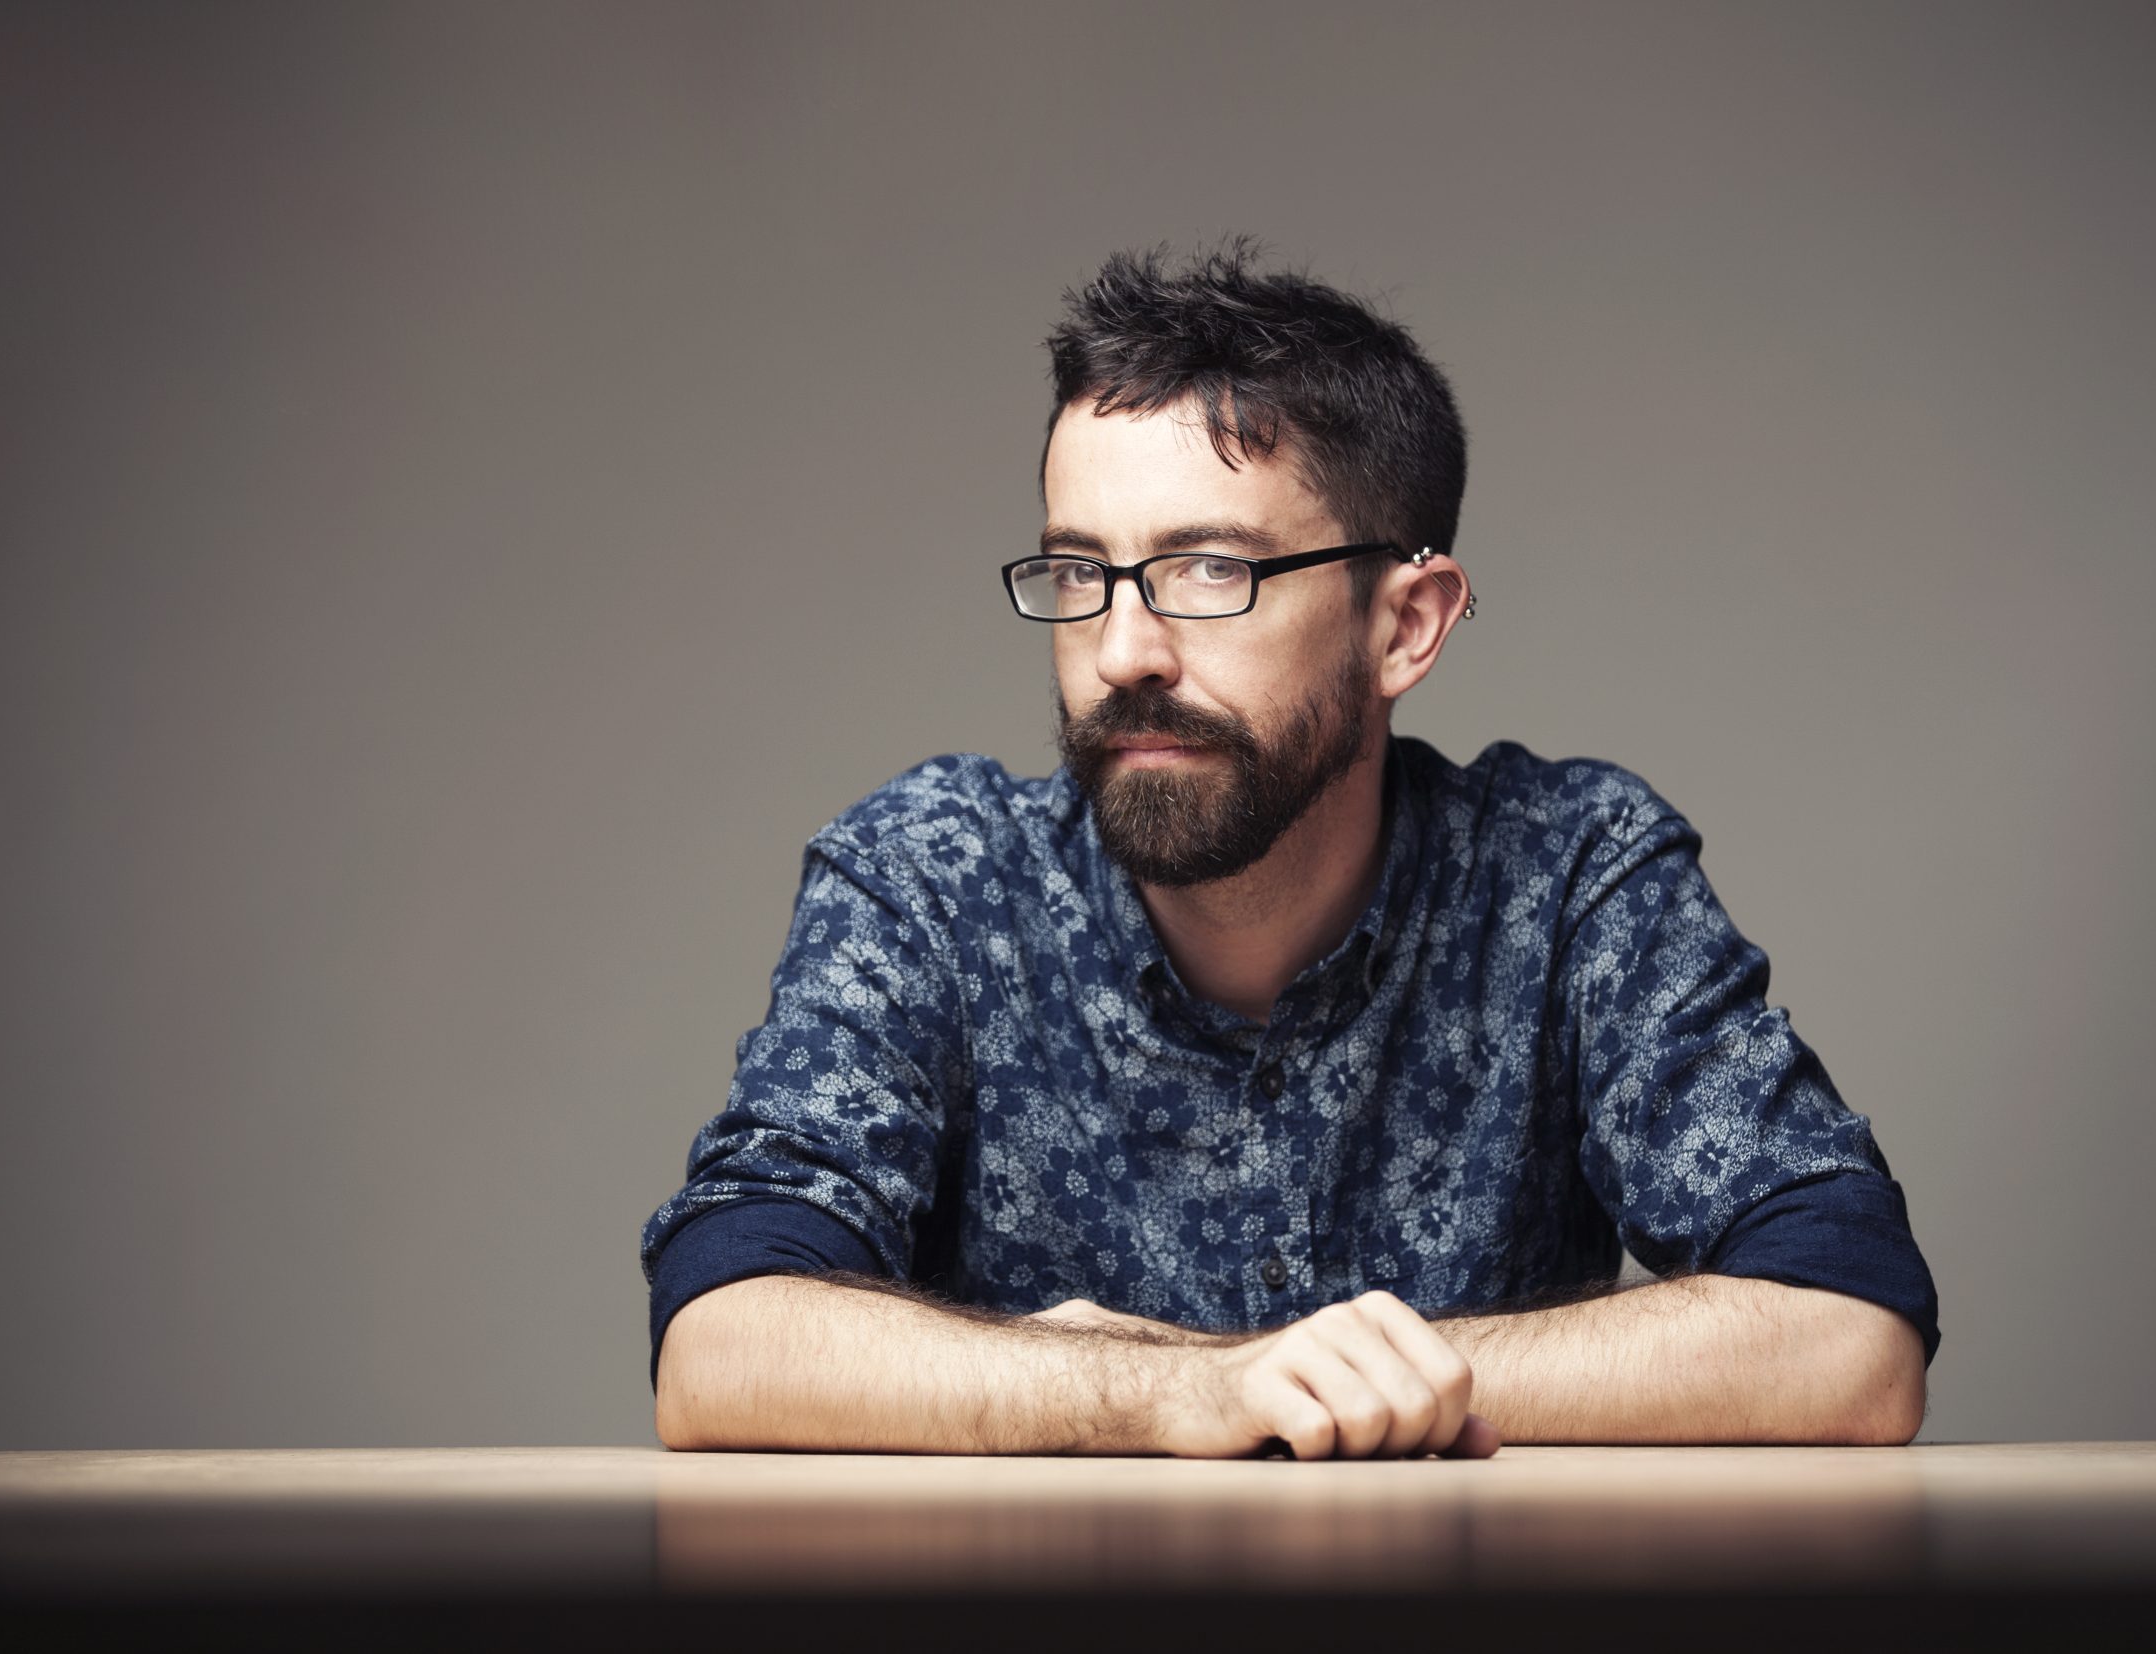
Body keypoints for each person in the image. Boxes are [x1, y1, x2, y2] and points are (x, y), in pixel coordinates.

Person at [640, 241, 1939, 1459]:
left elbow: (1850, 1331)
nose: (1124, 651)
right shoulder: (933, 878)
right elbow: (722, 1339)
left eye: (1212, 571)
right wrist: (1176, 1390)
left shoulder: (1564, 877)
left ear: (1405, 625)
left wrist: (1295, 1377)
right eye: (1080, 571)